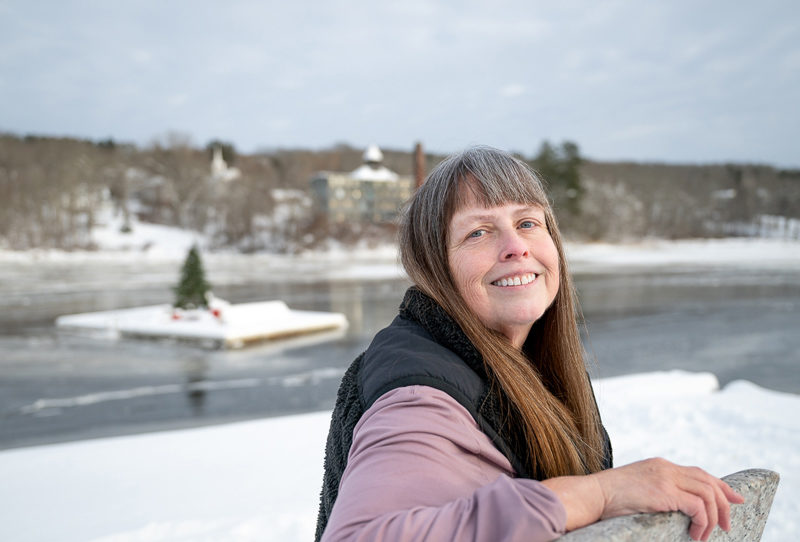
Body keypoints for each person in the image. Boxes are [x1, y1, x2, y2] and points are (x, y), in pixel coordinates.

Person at [315, 146, 743, 542]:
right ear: (435, 267)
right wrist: (594, 496)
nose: (516, 247)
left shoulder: (528, 365)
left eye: (527, 223)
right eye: (478, 233)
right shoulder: (420, 393)